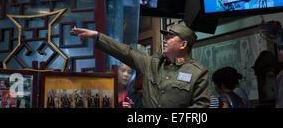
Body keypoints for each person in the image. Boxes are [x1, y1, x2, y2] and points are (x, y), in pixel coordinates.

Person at [71, 23, 210, 108]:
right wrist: (97, 36)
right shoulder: (153, 65)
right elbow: (126, 53)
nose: (165, 40)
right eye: (165, 37)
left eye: (170, 37)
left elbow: (200, 107)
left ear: (183, 44)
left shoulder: (197, 72)